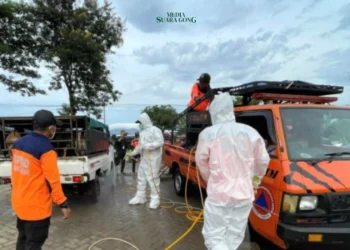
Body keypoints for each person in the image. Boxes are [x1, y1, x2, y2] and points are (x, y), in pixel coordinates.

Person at [195, 93, 270, 250]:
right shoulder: (250, 132)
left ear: (214, 112)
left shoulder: (208, 133)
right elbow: (263, 161)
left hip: (219, 193)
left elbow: (202, 162)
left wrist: (212, 179)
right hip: (244, 193)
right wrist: (254, 180)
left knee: (214, 236)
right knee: (234, 234)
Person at [11, 109, 71, 250]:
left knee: (23, 239)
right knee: (34, 244)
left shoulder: (18, 144)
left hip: (20, 203)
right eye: (54, 127)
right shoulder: (47, 150)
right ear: (51, 128)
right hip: (36, 208)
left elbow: (16, 173)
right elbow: (53, 181)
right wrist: (63, 204)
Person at [128, 113, 164, 209]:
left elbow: (160, 142)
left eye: (140, 123)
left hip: (153, 158)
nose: (139, 125)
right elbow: (140, 146)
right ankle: (140, 197)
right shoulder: (142, 133)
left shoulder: (155, 130)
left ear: (144, 121)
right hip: (144, 158)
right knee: (141, 177)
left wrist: (148, 146)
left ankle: (155, 199)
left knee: (152, 178)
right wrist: (132, 153)